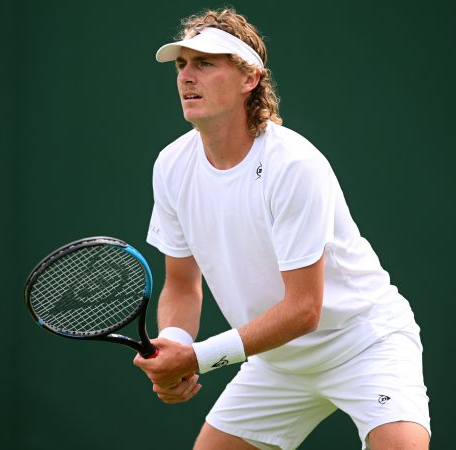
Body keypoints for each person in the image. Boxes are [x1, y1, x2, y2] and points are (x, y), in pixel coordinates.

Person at [133, 8, 431, 450]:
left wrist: (196, 358)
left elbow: (304, 309)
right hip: (276, 362)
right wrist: (173, 345)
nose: (186, 77)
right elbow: (181, 282)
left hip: (362, 344)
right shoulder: (172, 165)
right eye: (182, 65)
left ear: (249, 77)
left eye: (205, 63)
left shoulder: (293, 164)